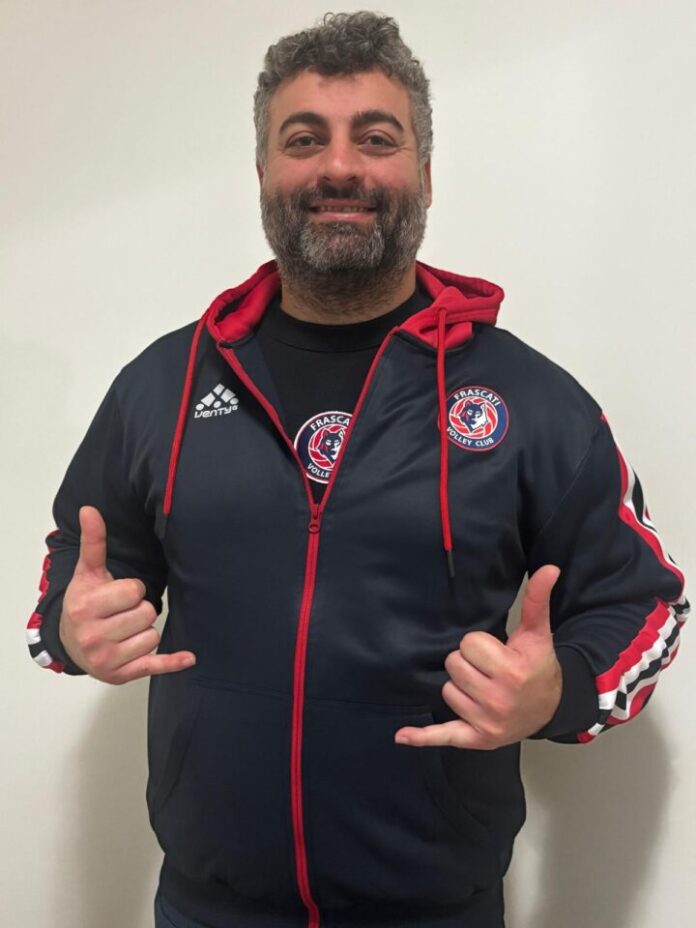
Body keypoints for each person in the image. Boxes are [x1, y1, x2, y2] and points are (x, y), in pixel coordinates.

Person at [26, 11, 689, 928]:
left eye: (376, 138)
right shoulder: (163, 387)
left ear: (425, 172)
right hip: (209, 907)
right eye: (304, 140)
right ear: (263, 172)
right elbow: (80, 560)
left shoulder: (528, 400)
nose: (339, 167)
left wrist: (561, 690)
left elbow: (644, 600)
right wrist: (73, 628)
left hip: (436, 910)